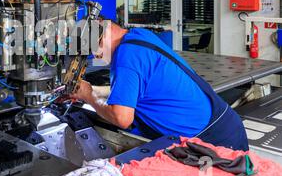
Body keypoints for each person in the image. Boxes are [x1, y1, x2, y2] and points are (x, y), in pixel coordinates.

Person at [71, 20, 249, 151]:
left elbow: (122, 118)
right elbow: (139, 89)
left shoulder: (127, 58)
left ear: (100, 43)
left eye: (95, 54)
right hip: (224, 125)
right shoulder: (138, 36)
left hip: (211, 140)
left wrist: (89, 96)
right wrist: (92, 90)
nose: (97, 59)